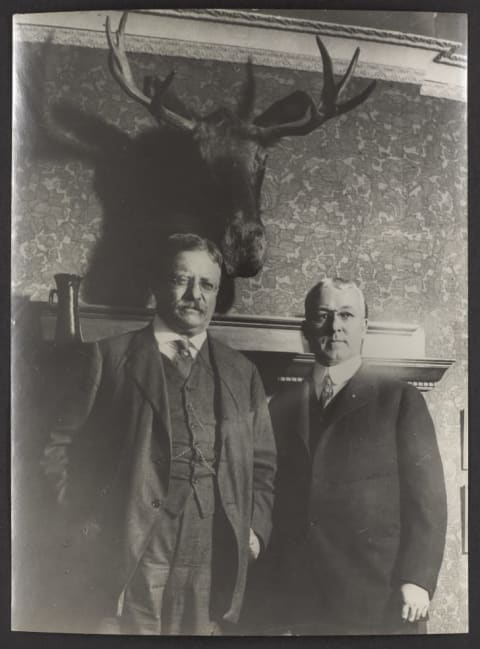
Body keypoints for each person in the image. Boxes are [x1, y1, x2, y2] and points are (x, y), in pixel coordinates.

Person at [41, 233, 276, 635]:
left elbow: (263, 464)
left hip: (211, 551)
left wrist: (252, 531)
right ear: (155, 283)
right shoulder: (109, 358)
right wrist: (85, 524)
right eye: (180, 279)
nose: (194, 294)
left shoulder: (242, 373)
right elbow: (57, 449)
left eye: (206, 284)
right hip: (131, 549)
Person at [269, 277, 447, 635]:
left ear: (364, 326)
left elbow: (428, 499)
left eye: (347, 315)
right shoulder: (279, 407)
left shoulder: (400, 400)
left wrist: (418, 578)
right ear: (306, 327)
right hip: (299, 601)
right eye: (323, 315)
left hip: (379, 599)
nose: (335, 326)